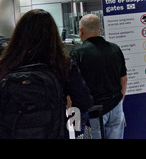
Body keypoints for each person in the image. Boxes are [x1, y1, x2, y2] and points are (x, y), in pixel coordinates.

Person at [0, 9, 92, 139]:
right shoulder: (62, 64)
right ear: (53, 35)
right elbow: (84, 100)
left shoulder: (6, 64)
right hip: (53, 133)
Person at [71, 14, 127, 139]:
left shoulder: (78, 54)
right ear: (100, 30)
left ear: (81, 31)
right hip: (116, 107)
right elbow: (123, 79)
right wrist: (119, 101)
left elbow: (74, 86)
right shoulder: (115, 49)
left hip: (94, 111)